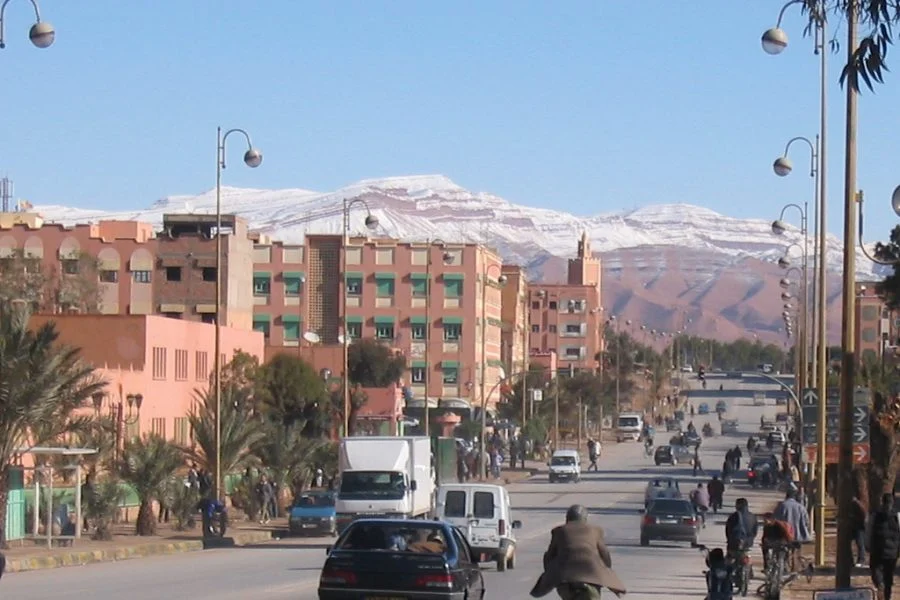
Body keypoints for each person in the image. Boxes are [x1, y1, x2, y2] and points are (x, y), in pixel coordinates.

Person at [530, 504, 626, 599]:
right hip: (591, 575)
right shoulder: (595, 530)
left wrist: (549, 574)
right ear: (584, 518)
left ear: (567, 518)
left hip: (566, 579)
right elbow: (605, 554)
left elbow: (549, 556)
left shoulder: (559, 531)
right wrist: (607, 571)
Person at [869, 493, 900, 599]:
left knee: (875, 570)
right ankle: (887, 597)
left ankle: (879, 584)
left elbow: (869, 531)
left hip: (877, 550)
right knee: (889, 576)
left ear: (882, 502)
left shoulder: (875, 515)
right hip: (892, 552)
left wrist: (867, 545)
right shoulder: (897, 516)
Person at [726, 498, 759, 564]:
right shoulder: (753, 517)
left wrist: (730, 539)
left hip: (734, 544)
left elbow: (728, 531)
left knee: (729, 560)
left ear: (738, 505)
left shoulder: (733, 516)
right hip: (747, 544)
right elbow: (755, 532)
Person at [851, 494, 868, 568]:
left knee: (860, 544)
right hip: (855, 525)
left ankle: (862, 560)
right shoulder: (854, 503)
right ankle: (858, 559)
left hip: (859, 526)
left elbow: (864, 514)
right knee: (858, 544)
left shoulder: (857, 504)